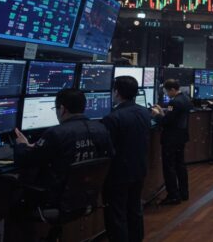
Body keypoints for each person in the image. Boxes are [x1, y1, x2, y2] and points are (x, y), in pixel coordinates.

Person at [13, 89, 114, 206]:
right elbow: (109, 157)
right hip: (86, 194)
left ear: (62, 109)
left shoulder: (56, 133)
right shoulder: (102, 129)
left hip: (56, 197)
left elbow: (25, 160)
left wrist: (22, 144)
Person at [102, 76, 152, 242]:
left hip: (119, 173)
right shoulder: (144, 111)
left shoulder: (113, 118)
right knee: (134, 209)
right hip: (139, 168)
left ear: (116, 92)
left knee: (117, 214)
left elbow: (108, 148)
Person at [151, 79, 193, 205]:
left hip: (171, 139)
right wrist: (162, 112)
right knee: (180, 165)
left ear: (173, 90)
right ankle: (184, 193)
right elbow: (173, 117)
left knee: (169, 167)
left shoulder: (174, 102)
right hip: (181, 137)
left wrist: (156, 115)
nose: (166, 94)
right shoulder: (185, 98)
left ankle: (173, 195)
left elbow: (166, 122)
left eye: (166, 92)